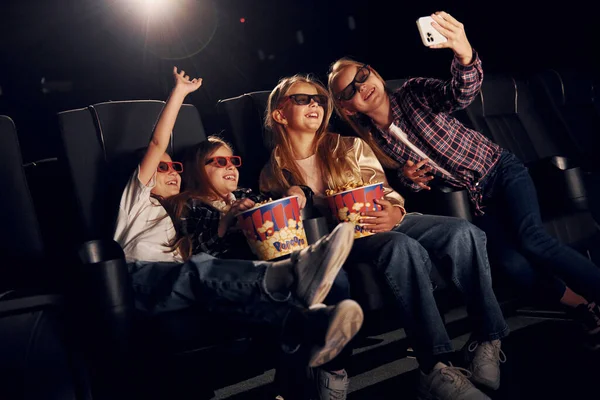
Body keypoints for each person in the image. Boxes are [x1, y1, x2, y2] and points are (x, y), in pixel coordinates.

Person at [327, 11, 600, 347]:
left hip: (502, 171)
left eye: (363, 75)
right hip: (475, 202)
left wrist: (463, 53)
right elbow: (410, 189)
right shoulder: (371, 142)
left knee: (531, 239)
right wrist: (409, 178)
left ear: (375, 74)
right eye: (350, 90)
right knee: (510, 264)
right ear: (349, 108)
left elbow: (459, 94)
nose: (362, 87)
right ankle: (583, 307)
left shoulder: (413, 92)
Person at [260, 72, 509, 400]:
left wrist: (396, 211)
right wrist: (290, 195)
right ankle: (434, 367)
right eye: (302, 99)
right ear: (279, 113)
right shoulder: (273, 172)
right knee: (400, 247)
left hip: (384, 218)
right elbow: (280, 231)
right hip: (343, 240)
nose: (315, 104)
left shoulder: (349, 145)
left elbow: (385, 191)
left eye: (320, 99)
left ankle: (487, 340)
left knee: (464, 232)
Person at [112, 67, 364, 388]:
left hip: (180, 286)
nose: (171, 172)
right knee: (199, 269)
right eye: (162, 168)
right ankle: (292, 273)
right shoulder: (137, 200)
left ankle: (318, 326)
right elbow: (159, 141)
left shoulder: (179, 212)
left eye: (174, 167)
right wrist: (179, 93)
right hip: (138, 280)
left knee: (247, 300)